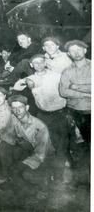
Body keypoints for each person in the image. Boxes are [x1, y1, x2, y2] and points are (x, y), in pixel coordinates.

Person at [15, 54, 68, 182]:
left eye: (41, 62)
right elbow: (17, 86)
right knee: (44, 145)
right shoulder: (31, 77)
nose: (38, 65)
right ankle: (47, 173)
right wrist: (26, 81)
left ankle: (59, 175)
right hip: (43, 115)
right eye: (35, 63)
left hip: (59, 114)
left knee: (61, 145)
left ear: (45, 63)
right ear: (31, 65)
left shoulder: (56, 76)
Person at [0, 95, 54, 191]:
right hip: (26, 149)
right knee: (4, 145)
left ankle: (45, 177)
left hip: (43, 156)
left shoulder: (40, 127)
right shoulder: (14, 118)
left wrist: (22, 165)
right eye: (14, 108)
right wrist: (17, 141)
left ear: (27, 108)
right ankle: (11, 178)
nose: (17, 111)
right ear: (11, 109)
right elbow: (5, 135)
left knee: (27, 177)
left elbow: (40, 155)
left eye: (20, 107)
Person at [59, 40, 91, 184]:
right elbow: (63, 91)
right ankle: (83, 181)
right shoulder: (67, 71)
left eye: (79, 49)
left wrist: (76, 86)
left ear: (85, 50)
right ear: (69, 54)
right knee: (79, 148)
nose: (76, 53)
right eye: (72, 51)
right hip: (74, 113)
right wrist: (86, 93)